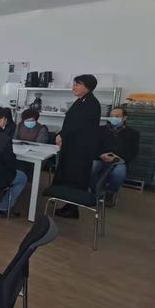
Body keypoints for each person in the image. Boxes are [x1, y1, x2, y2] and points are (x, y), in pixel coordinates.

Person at [53, 74, 101, 218]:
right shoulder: (81, 101)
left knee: (76, 178)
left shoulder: (91, 104)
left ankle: (72, 208)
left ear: (87, 87)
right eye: (74, 84)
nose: (73, 87)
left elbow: (77, 125)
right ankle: (69, 205)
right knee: (70, 176)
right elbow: (70, 122)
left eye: (77, 84)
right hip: (73, 146)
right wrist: (62, 134)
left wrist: (62, 135)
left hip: (80, 149)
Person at [91, 108, 140, 201]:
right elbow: (93, 146)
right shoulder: (99, 130)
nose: (114, 118)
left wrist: (118, 158)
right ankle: (95, 191)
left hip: (119, 161)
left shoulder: (132, 133)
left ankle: (110, 192)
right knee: (91, 167)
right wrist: (100, 155)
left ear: (124, 118)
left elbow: (133, 152)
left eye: (117, 116)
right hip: (100, 158)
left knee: (119, 174)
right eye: (112, 116)